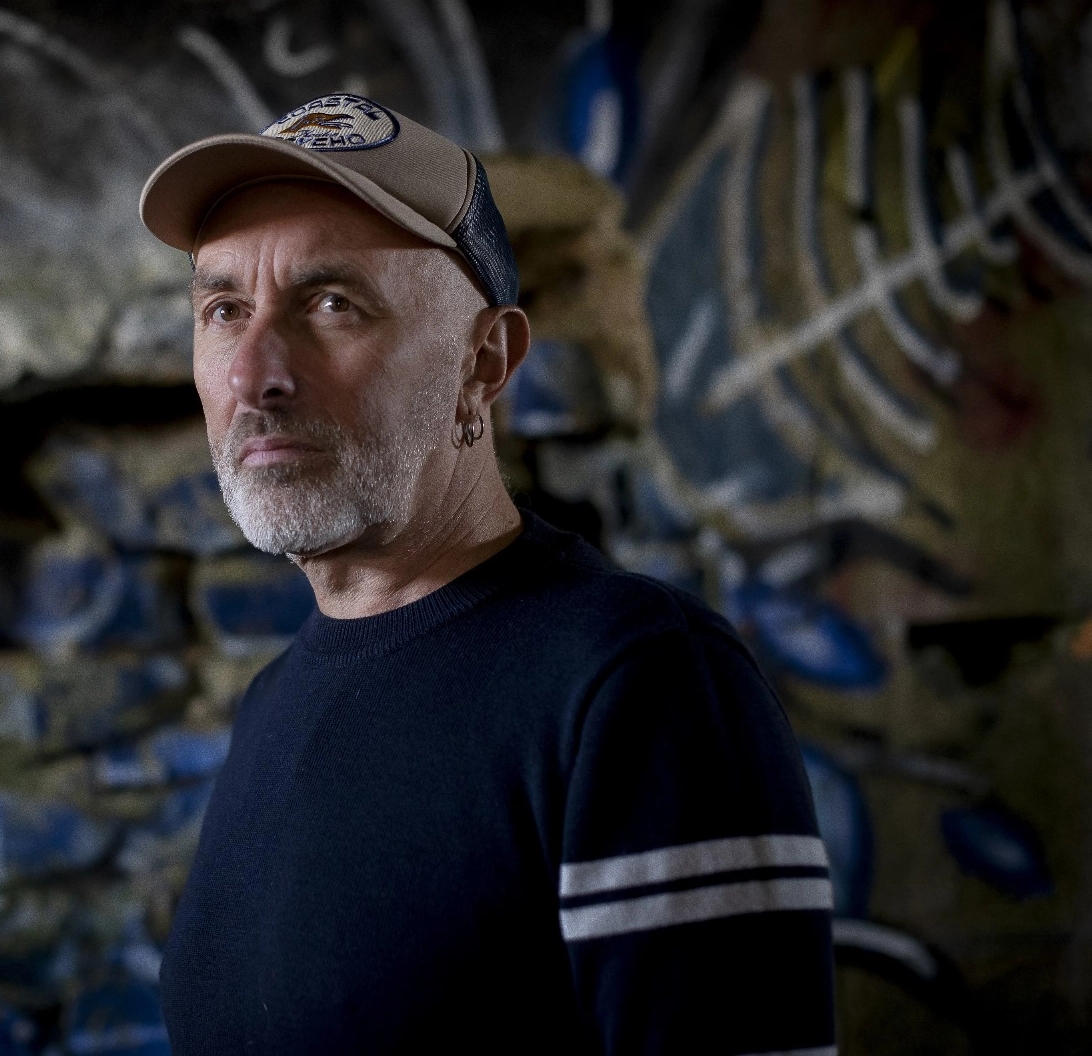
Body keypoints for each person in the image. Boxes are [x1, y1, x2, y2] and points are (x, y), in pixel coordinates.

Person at [138, 92, 835, 1055]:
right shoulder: (273, 702)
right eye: (224, 309)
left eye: (333, 304)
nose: (254, 373)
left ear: (486, 360)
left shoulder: (638, 686)